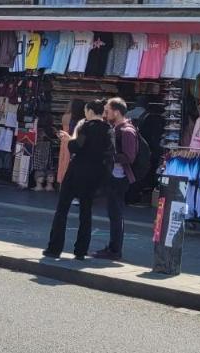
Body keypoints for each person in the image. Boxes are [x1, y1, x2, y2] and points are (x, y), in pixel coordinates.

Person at [44, 100, 112, 260]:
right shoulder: (108, 130)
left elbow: (77, 147)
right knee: (86, 212)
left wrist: (69, 140)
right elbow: (109, 154)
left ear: (88, 111)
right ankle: (81, 250)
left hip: (77, 172)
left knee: (62, 209)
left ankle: (54, 248)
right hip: (94, 175)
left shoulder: (86, 127)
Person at [95, 96, 138, 260]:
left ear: (117, 112)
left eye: (108, 111)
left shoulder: (127, 131)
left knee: (116, 213)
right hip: (114, 175)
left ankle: (115, 250)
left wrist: (109, 155)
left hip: (120, 178)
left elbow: (129, 156)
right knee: (113, 213)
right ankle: (113, 247)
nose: (105, 114)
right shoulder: (116, 128)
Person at [56, 98, 84, 188]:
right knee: (70, 164)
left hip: (64, 142)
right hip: (72, 141)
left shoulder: (65, 116)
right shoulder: (81, 120)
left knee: (63, 162)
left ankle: (62, 184)